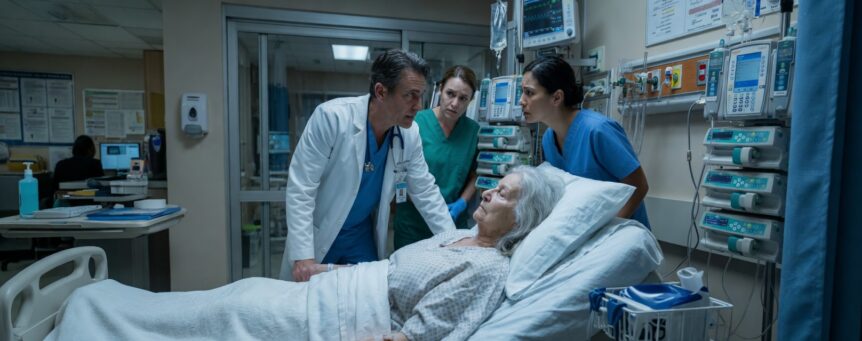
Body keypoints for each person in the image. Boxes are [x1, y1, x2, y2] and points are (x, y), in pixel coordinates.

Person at [47, 166, 565, 341]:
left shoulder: (486, 269)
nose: (491, 193)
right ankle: (97, 308)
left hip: (335, 319)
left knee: (226, 314)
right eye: (495, 186)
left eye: (505, 194)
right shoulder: (456, 238)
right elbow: (387, 268)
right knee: (229, 299)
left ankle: (89, 318)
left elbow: (415, 336)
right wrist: (323, 268)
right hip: (328, 289)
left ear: (520, 221)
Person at [282, 49, 455, 282]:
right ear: (381, 91)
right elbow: (301, 188)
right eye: (410, 95)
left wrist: (455, 243)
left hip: (360, 238)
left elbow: (425, 191)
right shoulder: (331, 118)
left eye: (421, 95)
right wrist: (303, 257)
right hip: (319, 236)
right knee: (308, 308)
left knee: (367, 303)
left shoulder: (409, 134)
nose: (418, 105)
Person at [520, 56, 651, 228]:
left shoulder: (598, 130)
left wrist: (608, 229)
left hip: (621, 234)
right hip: (583, 229)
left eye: (529, 93)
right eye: (522, 92)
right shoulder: (548, 140)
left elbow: (639, 185)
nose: (521, 101)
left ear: (557, 98)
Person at [393, 65, 480, 250]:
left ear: (471, 100)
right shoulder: (415, 123)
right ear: (440, 90)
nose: (455, 103)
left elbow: (476, 174)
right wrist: (430, 206)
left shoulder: (473, 131)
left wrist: (462, 202)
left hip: (453, 221)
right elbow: (399, 173)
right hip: (413, 223)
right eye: (450, 94)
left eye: (463, 98)